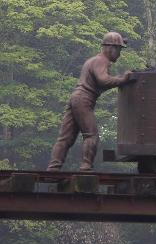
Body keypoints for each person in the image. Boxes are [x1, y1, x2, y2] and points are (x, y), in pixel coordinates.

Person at [47, 32, 134, 172]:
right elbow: (103, 80)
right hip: (83, 99)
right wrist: (123, 79)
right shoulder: (101, 61)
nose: (119, 54)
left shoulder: (93, 60)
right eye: (118, 50)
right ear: (110, 48)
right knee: (91, 135)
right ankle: (86, 166)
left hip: (76, 98)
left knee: (65, 137)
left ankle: (53, 167)